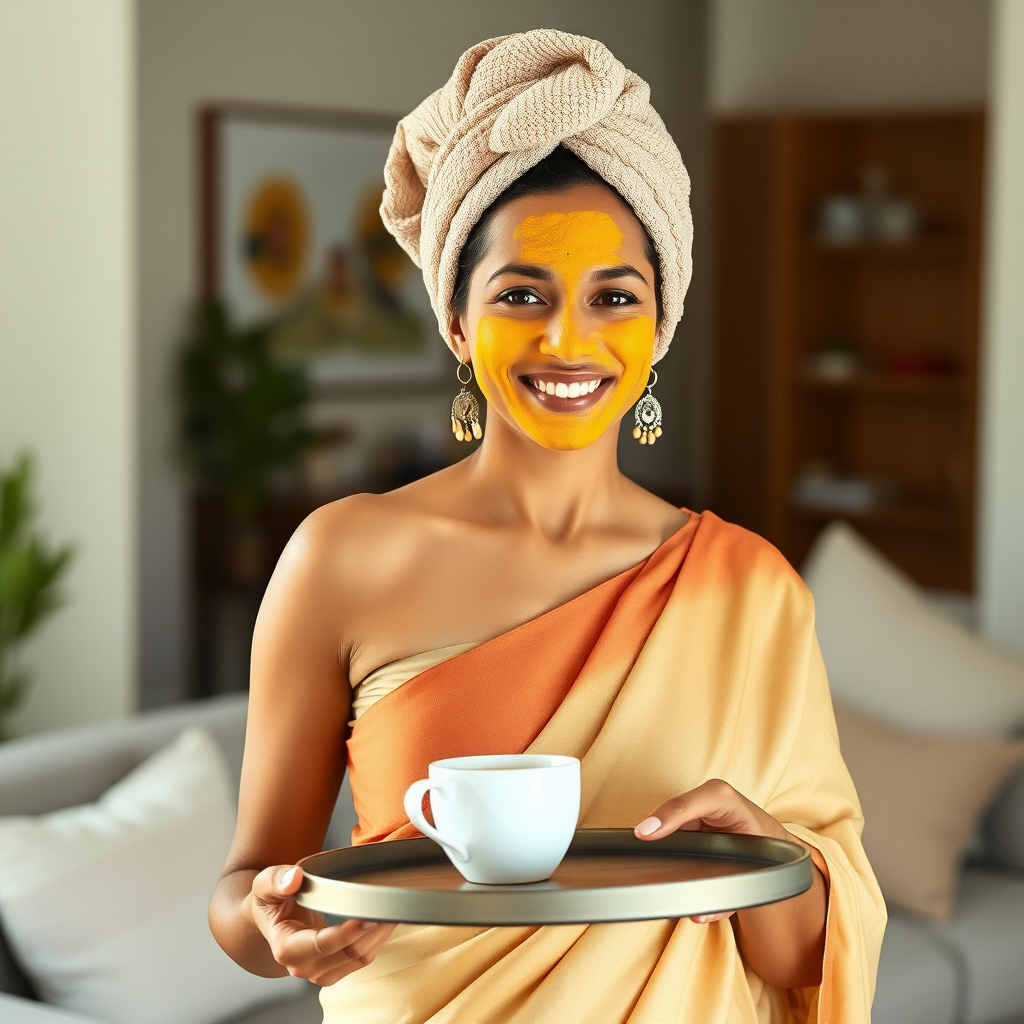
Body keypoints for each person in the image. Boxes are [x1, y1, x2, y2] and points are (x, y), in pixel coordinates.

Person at [209, 29, 885, 1024]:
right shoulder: (341, 557)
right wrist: (268, 926)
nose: (568, 340)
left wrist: (766, 856)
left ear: (659, 328)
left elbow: (804, 955)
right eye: (521, 294)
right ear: (454, 320)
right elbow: (244, 889)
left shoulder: (748, 587)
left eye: (614, 296)